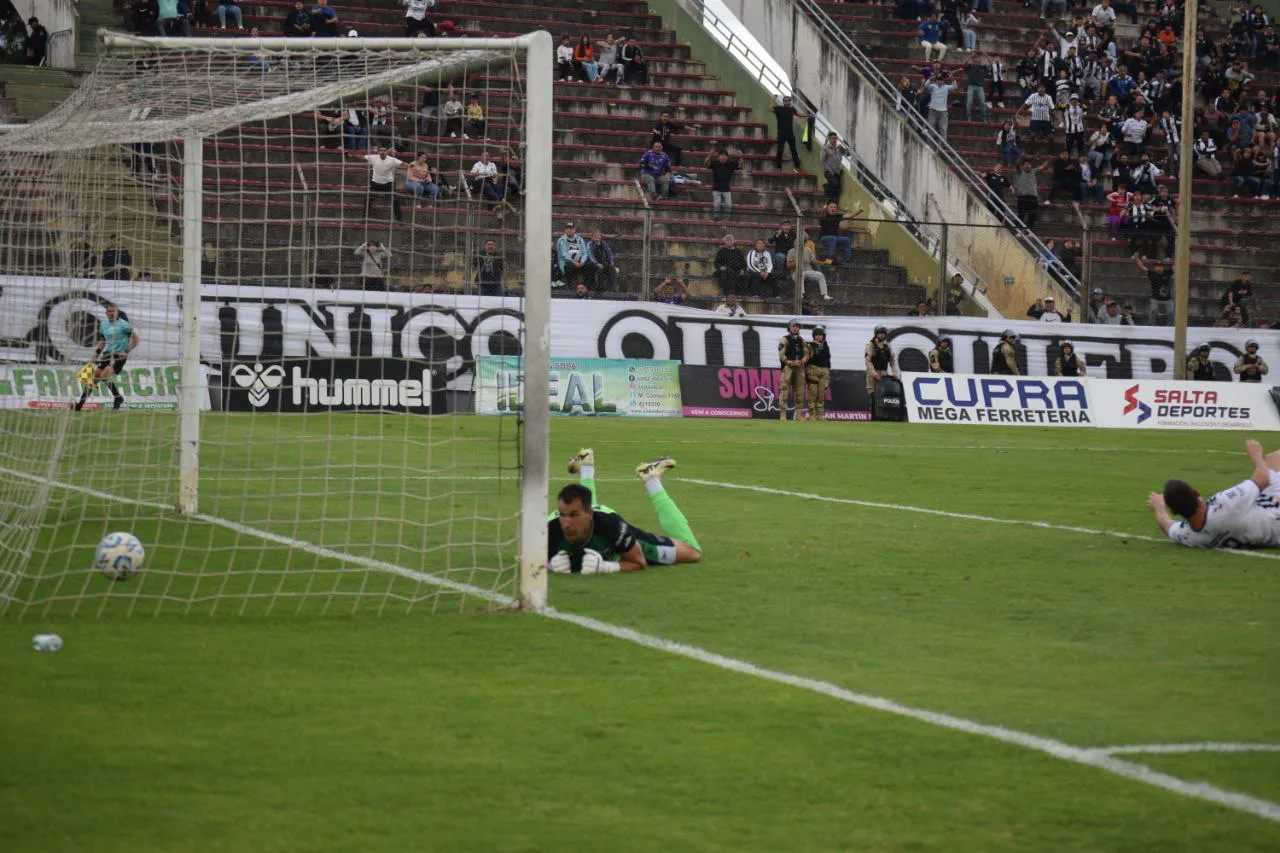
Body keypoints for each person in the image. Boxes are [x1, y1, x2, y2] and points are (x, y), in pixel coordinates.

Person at [548, 450, 702, 574]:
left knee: (692, 553)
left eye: (572, 516)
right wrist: (547, 564)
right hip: (593, 519)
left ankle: (651, 479)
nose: (566, 524)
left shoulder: (613, 526)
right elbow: (526, 559)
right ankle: (586, 466)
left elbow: (638, 561)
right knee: (582, 510)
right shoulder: (547, 531)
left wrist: (606, 567)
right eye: (563, 516)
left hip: (605, 525)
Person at [1147, 439, 1280, 549]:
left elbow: (1166, 524)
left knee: (1272, 459)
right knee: (1273, 460)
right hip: (1274, 515)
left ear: (1176, 511)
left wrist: (1159, 507)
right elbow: (1263, 478)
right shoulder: (1226, 504)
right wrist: (1255, 454)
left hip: (1259, 522)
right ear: (1197, 494)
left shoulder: (1189, 535)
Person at [74, 303, 139, 412]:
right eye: (108, 311)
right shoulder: (103, 324)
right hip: (107, 354)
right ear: (106, 313)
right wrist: (97, 353)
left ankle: (118, 398)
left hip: (119, 355)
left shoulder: (124, 325)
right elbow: (103, 341)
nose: (110, 313)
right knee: (93, 379)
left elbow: (136, 339)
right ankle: (79, 406)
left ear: (117, 312)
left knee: (104, 375)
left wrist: (126, 351)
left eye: (113, 311)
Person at [348, 146, 405, 221]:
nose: (383, 152)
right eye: (381, 150)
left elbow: (403, 164)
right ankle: (364, 219)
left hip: (388, 184)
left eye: (384, 150)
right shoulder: (373, 157)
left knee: (396, 201)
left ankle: (399, 220)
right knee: (368, 200)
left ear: (387, 151)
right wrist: (351, 155)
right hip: (376, 184)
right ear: (378, 152)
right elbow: (362, 157)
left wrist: (413, 167)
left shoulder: (392, 160)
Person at [778, 318, 809, 421]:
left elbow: (806, 354)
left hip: (800, 369)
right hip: (788, 369)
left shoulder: (802, 341)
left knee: (800, 392)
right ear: (789, 327)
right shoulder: (784, 339)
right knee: (784, 391)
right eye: (794, 326)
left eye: (797, 327)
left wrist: (802, 361)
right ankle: (783, 415)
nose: (795, 328)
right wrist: (791, 362)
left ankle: (799, 415)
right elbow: (781, 356)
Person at [786, 237, 833, 302]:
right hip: (796, 273)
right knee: (801, 274)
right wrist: (796, 262)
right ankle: (801, 294)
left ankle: (825, 295)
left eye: (798, 242)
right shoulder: (791, 251)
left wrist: (813, 261)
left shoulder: (808, 250)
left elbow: (814, 261)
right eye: (795, 242)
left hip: (808, 271)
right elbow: (788, 266)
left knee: (820, 275)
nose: (796, 244)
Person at [1133, 255, 1173, 326]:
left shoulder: (1167, 273)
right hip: (1155, 299)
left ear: (1163, 267)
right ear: (1155, 268)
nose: (1159, 268)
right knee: (1153, 311)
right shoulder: (1152, 274)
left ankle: (1170, 325)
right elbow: (1142, 267)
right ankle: (1152, 324)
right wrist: (1137, 259)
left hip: (1167, 299)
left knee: (1171, 312)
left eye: (1160, 267)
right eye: (1157, 267)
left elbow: (1176, 267)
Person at [770, 93, 805, 172]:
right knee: (780, 151)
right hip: (781, 134)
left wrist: (807, 115)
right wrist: (773, 99)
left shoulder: (792, 109)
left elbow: (799, 114)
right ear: (783, 102)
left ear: (790, 102)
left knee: (794, 150)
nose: (787, 102)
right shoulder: (779, 109)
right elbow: (770, 108)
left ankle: (797, 167)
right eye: (785, 101)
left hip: (790, 134)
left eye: (789, 101)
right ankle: (778, 168)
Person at [704, 149, 742, 222]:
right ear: (718, 157)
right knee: (717, 204)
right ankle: (716, 219)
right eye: (721, 155)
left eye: (725, 155)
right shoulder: (715, 163)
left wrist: (740, 157)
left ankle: (726, 220)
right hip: (716, 188)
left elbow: (740, 166)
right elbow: (706, 164)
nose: (723, 157)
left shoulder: (730, 164)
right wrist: (709, 156)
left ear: (727, 157)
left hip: (726, 189)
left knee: (728, 205)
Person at [864, 325, 897, 402]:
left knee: (884, 396)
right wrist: (875, 374)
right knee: (873, 396)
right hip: (873, 374)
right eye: (879, 333)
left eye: (883, 333)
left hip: (884, 373)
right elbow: (868, 361)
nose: (881, 335)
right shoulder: (871, 345)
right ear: (876, 334)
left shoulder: (887, 345)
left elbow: (892, 361)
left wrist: (895, 373)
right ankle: (873, 412)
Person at [805, 325, 831, 422]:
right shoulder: (809, 345)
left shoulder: (826, 346)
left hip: (824, 372)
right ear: (813, 336)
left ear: (823, 336)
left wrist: (827, 375)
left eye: (821, 335)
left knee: (821, 395)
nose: (819, 337)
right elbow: (806, 358)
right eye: (816, 335)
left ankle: (820, 415)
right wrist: (808, 372)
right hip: (813, 370)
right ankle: (812, 414)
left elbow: (828, 362)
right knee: (813, 394)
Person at [555, 221, 589, 288]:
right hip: (568, 263)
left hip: (580, 262)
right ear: (565, 230)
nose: (569, 230)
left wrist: (582, 262)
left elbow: (585, 253)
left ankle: (587, 286)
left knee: (590, 265)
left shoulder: (580, 239)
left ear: (574, 230)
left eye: (571, 228)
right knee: (569, 265)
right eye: (568, 228)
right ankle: (569, 286)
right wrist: (574, 262)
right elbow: (564, 254)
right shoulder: (561, 240)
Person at [820, 132, 845, 201]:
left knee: (838, 188)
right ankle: (825, 186)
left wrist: (843, 148)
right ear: (829, 139)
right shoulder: (825, 148)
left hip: (838, 171)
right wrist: (829, 170)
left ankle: (833, 202)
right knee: (836, 184)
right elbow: (822, 161)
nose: (833, 140)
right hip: (829, 172)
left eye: (835, 138)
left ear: (837, 139)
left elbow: (848, 154)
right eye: (831, 138)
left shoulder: (839, 148)